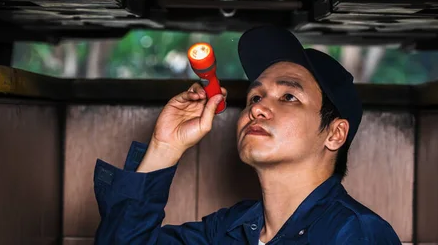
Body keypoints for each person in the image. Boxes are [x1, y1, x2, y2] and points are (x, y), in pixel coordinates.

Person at [93, 25, 401, 244]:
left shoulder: (357, 235)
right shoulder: (229, 229)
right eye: (255, 97)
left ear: (334, 134)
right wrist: (164, 147)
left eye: (289, 97)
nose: (257, 109)